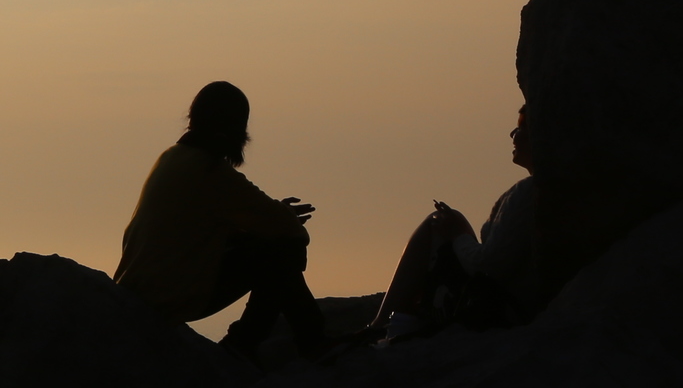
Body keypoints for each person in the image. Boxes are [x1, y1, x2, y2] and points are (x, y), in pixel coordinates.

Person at [114, 81, 328, 361]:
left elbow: (201, 229)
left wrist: (269, 219)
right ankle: (251, 345)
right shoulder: (211, 171)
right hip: (167, 298)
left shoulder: (171, 158)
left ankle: (307, 342)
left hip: (139, 291)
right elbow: (292, 233)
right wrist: (280, 218)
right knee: (283, 252)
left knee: (264, 245)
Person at [367, 106, 546, 343]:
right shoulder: (536, 192)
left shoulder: (527, 192)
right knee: (442, 223)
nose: (513, 134)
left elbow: (491, 266)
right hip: (510, 303)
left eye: (522, 128)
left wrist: (458, 232)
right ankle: (387, 323)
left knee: (434, 225)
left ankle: (383, 324)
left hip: (500, 308)